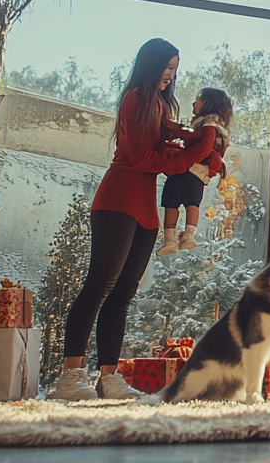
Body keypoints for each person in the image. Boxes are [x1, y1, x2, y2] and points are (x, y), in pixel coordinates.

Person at [52, 39, 223, 400]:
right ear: (152, 65)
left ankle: (109, 378)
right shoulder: (135, 98)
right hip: (119, 196)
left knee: (124, 293)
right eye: (167, 67)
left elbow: (161, 152)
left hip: (145, 204)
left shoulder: (160, 104)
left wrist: (198, 150)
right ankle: (70, 377)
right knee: (99, 286)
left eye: (175, 70)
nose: (171, 75)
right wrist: (190, 157)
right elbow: (144, 158)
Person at [157, 87, 234, 256]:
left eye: (199, 99)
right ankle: (188, 234)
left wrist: (176, 132)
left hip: (191, 168)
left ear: (209, 104)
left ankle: (170, 238)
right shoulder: (219, 128)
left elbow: (199, 143)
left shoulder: (208, 125)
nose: (194, 102)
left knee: (171, 200)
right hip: (201, 173)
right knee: (193, 202)